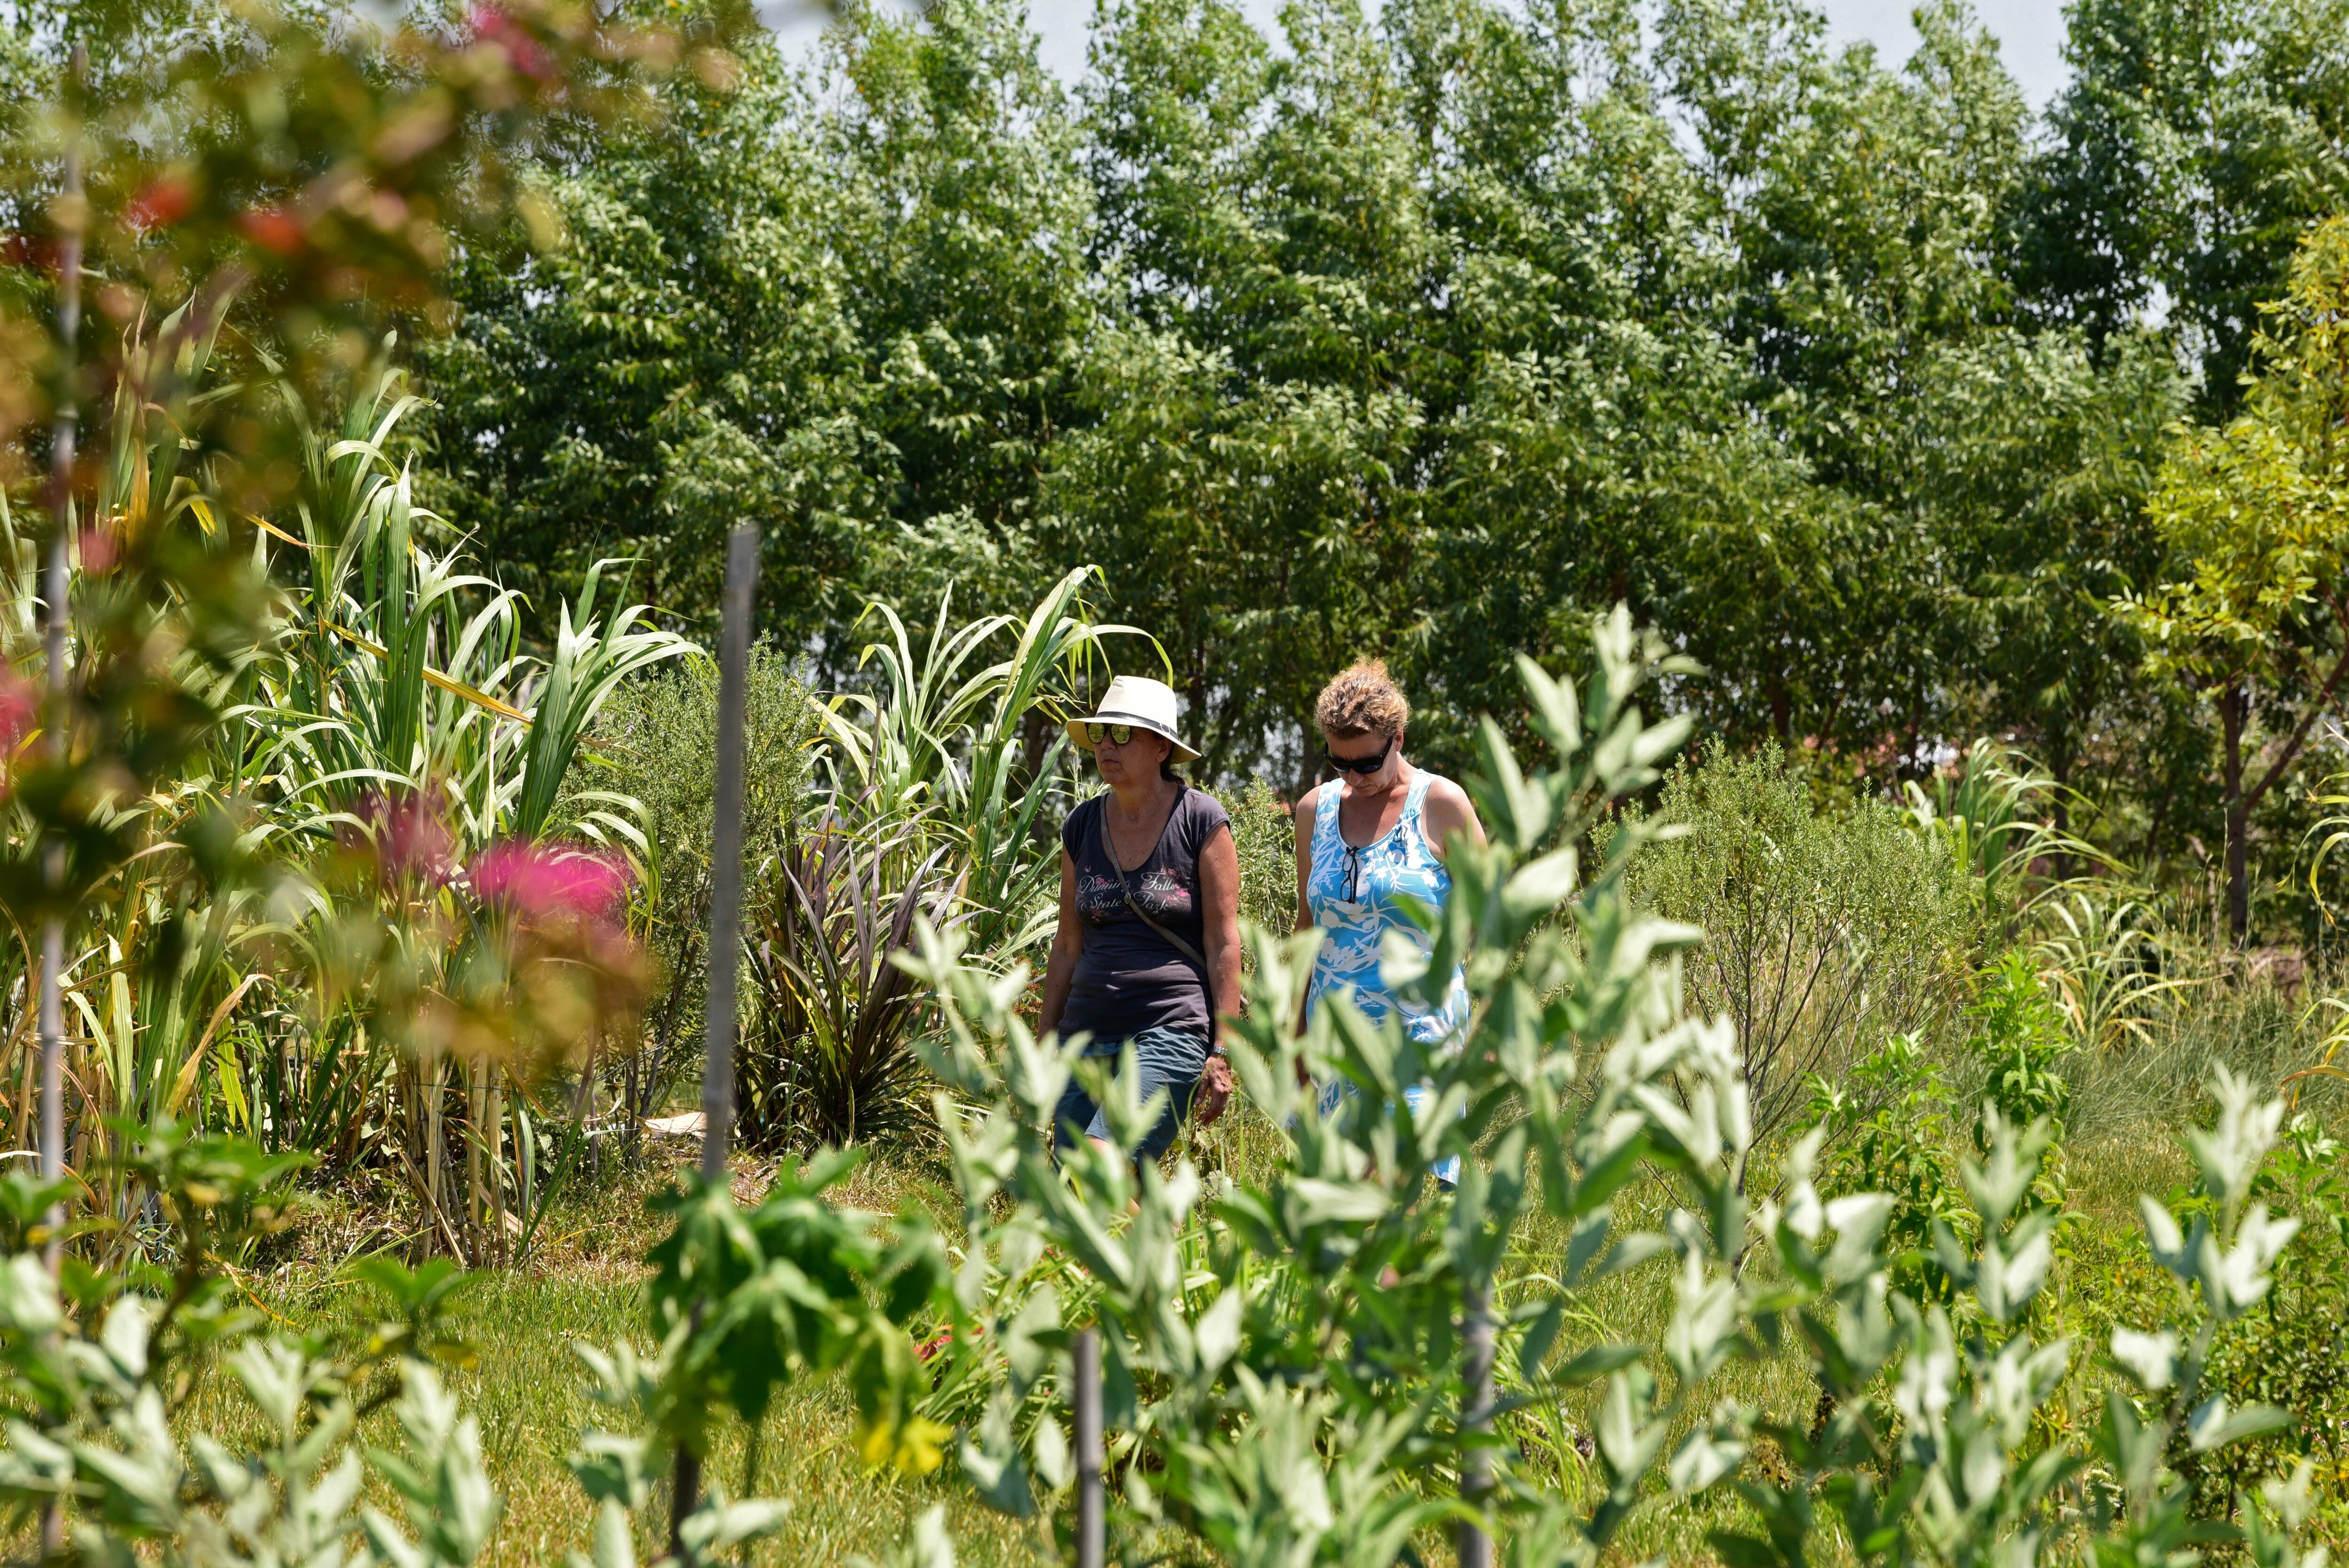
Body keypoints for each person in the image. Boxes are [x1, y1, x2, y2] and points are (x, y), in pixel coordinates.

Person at [1294, 660, 1485, 1182]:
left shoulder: (1441, 803)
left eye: (1367, 762)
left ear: (1398, 738)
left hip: (1418, 1034)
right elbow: (1306, 931)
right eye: (1339, 764)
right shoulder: (1315, 810)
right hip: (1335, 1039)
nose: (1353, 777)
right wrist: (1294, 1040)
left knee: (1386, 1183)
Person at [1039, 675, 1242, 1164]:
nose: (1107, 744)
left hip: (1168, 1026)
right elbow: (1067, 944)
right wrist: (1042, 1042)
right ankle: (1172, 1237)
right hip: (1084, 1034)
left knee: (1095, 1163)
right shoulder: (1081, 824)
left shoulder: (1200, 820)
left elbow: (1223, 942)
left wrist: (1223, 1050)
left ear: (1160, 748)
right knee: (1072, 1187)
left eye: (1124, 733)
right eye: (1102, 732)